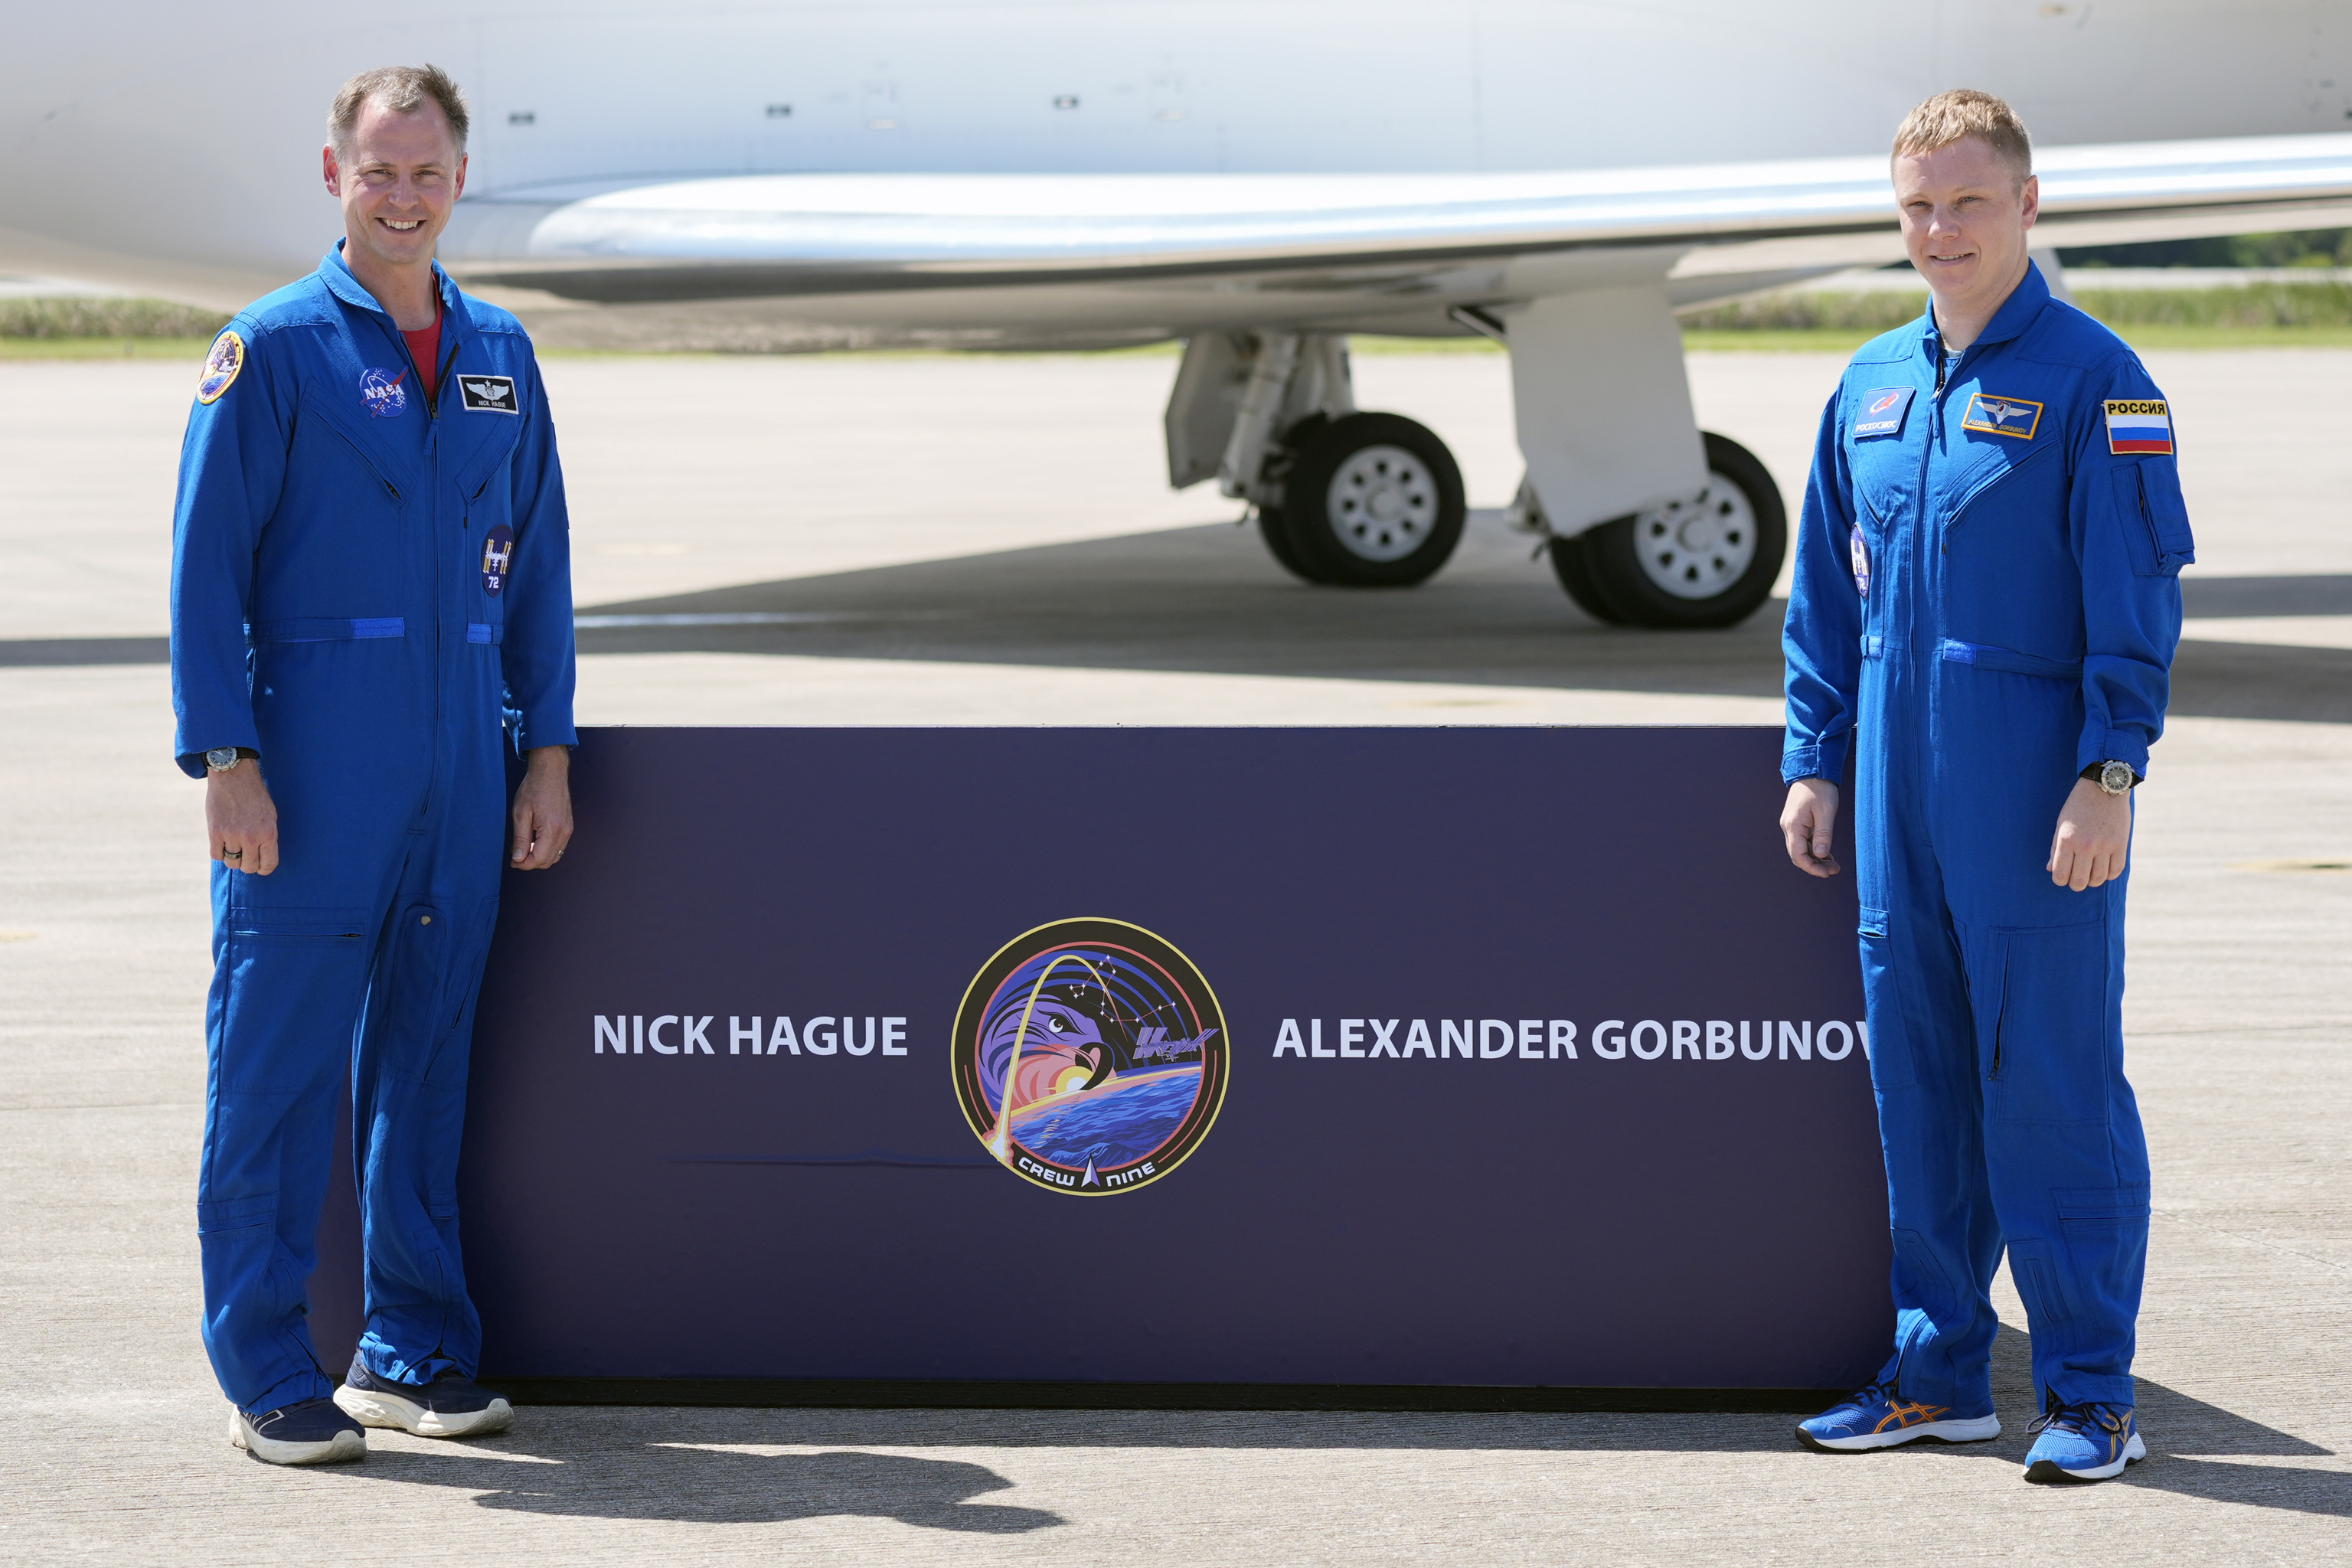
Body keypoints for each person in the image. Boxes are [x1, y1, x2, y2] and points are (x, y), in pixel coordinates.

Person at [1778, 90, 2187, 1485]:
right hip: (1893, 797)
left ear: (2028, 205)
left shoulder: (2099, 381)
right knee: (1922, 1089)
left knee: (2054, 1092)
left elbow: (2133, 598)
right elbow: (1823, 603)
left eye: (1966, 201)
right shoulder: (1872, 382)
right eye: (1916, 207)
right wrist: (1814, 757)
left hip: (2032, 794)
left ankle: (2090, 1390)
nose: (1939, 230)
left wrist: (2109, 769)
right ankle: (1940, 1372)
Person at [172, 64, 577, 1465]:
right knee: (275, 1071)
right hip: (313, 767)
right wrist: (227, 760)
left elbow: (537, 580)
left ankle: (408, 1349)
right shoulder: (270, 350)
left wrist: (549, 751)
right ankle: (267, 1367)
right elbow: (204, 576)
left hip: (467, 765)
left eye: (427, 173)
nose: (402, 197)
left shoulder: (501, 354)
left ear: (461, 182)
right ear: (333, 174)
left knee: (429, 1059)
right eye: (377, 170)